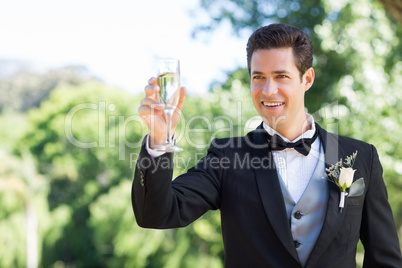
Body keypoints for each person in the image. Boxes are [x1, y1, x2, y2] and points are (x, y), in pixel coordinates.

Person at [132, 24, 402, 267]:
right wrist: (158, 140)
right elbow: (155, 214)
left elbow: (385, 258)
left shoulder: (360, 157)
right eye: (258, 77)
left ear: (306, 79)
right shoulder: (228, 156)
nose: (268, 90)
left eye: (281, 76)